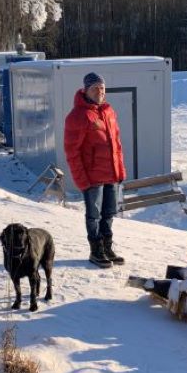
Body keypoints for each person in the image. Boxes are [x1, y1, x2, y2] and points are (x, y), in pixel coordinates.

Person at [64, 71, 127, 268]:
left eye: (102, 88)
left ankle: (107, 246)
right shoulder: (78, 116)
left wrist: (120, 172)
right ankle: (95, 250)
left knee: (109, 213)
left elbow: (116, 145)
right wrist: (81, 180)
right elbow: (72, 151)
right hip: (93, 178)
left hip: (111, 175)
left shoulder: (108, 111)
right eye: (95, 88)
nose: (99, 91)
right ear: (85, 90)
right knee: (94, 215)